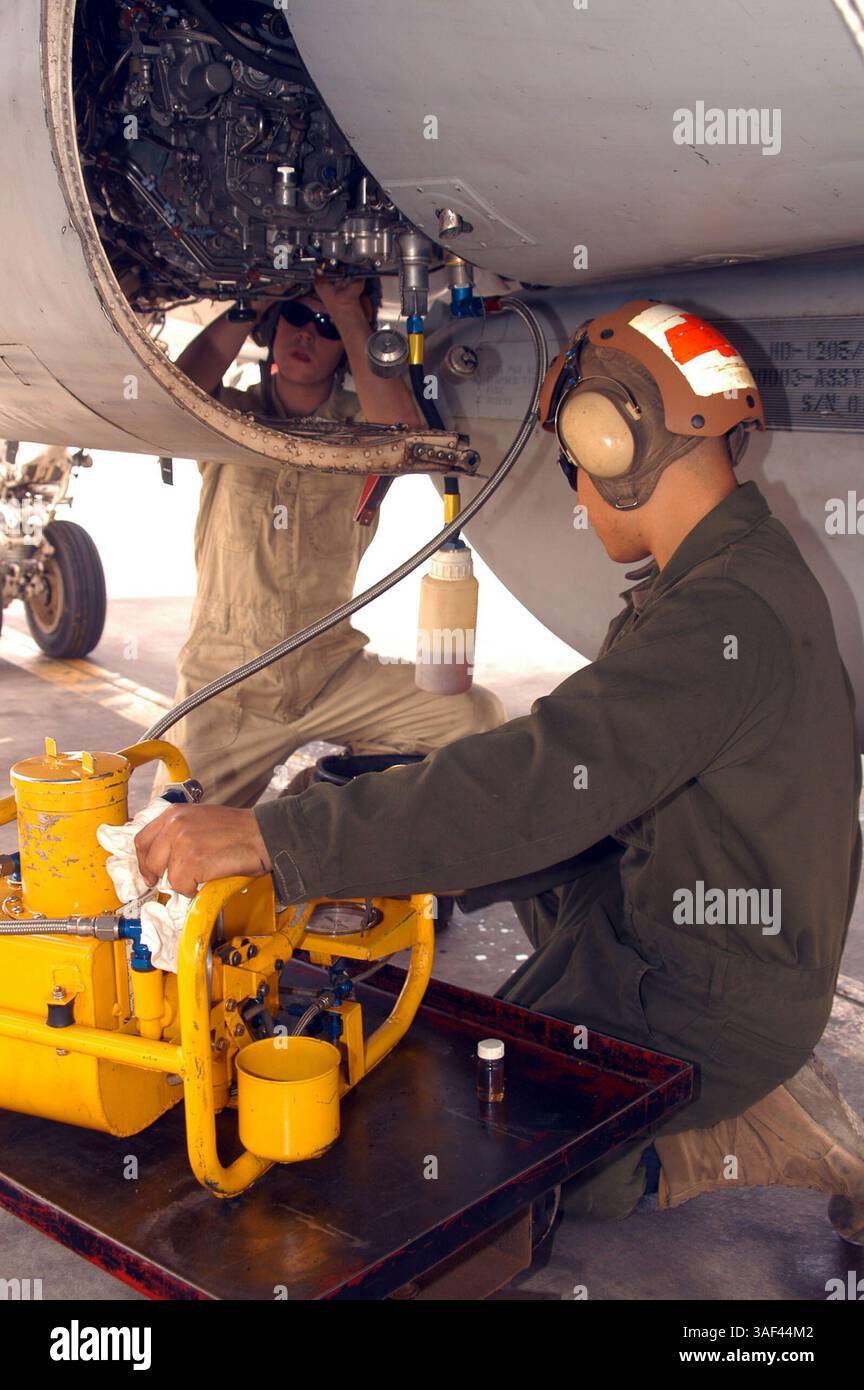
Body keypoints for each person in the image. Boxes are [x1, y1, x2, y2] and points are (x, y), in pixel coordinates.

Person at [136, 299, 863, 1239]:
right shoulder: (726, 578)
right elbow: (571, 788)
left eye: (574, 468)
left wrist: (283, 839)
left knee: (461, 1168)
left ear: (613, 443)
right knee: (459, 978)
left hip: (702, 990)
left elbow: (538, 782)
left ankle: (747, 1132)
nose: (574, 498)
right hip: (661, 908)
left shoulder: (720, 620)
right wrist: (386, 856)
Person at [154, 271, 505, 806]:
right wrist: (257, 299)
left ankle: (315, 801)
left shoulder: (364, 432)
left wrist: (348, 312)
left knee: (473, 716)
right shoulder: (229, 419)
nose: (307, 335)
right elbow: (173, 396)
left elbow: (401, 434)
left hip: (329, 671)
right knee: (171, 844)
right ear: (273, 328)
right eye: (297, 316)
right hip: (228, 683)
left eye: (324, 327)